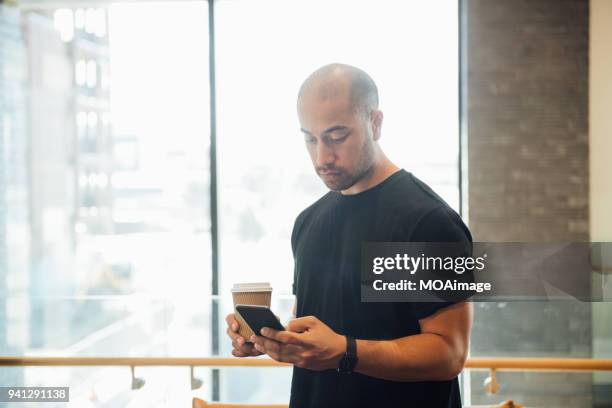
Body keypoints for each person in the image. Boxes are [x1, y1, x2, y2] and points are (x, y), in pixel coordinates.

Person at [226, 63, 473, 407]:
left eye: (336, 137)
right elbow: (316, 331)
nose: (322, 156)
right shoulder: (308, 222)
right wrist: (271, 339)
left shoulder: (429, 221)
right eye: (310, 139)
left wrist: (345, 352)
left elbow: (450, 353)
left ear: (375, 123)